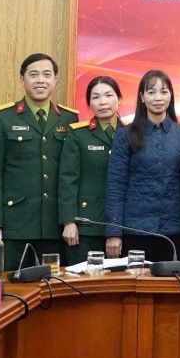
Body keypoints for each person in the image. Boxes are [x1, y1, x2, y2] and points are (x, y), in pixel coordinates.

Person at [0, 53, 79, 270]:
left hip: (54, 226)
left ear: (56, 80)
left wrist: (70, 219)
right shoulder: (2, 117)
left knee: (54, 285)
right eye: (33, 75)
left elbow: (72, 175)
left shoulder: (69, 119)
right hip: (14, 225)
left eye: (47, 75)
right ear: (22, 79)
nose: (40, 80)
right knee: (11, 284)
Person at [104, 70, 180, 264]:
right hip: (135, 230)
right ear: (142, 97)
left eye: (164, 92)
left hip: (174, 230)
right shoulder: (126, 134)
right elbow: (116, 186)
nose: (158, 98)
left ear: (171, 95)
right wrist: (114, 232)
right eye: (151, 92)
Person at [59, 76, 124, 265]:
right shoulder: (79, 134)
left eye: (108, 95)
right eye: (96, 97)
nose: (103, 102)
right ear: (89, 104)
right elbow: (67, 180)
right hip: (85, 226)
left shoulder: (132, 134)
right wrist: (68, 221)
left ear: (119, 99)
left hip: (123, 227)